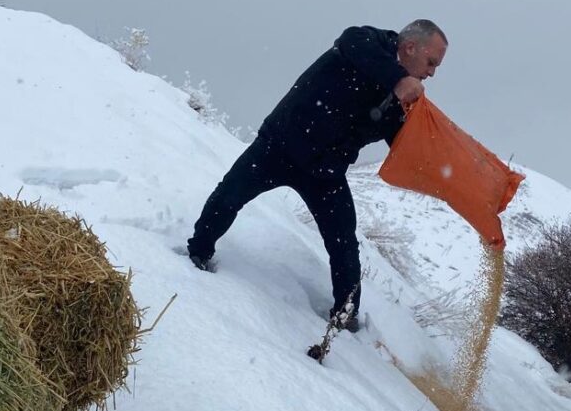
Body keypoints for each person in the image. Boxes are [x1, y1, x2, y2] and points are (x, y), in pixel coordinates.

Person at [186, 20, 448, 332]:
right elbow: (351, 41)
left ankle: (345, 317)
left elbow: (405, 146)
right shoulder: (368, 42)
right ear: (409, 48)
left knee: (344, 244)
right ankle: (196, 255)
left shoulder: (402, 99)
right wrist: (397, 78)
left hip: (325, 172)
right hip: (279, 146)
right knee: (228, 197)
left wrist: (448, 172)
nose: (432, 73)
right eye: (431, 62)